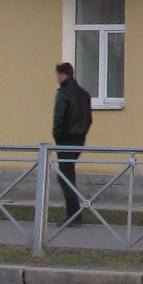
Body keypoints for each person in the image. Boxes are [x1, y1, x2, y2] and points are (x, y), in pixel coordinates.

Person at [52, 61, 94, 225]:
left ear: (62, 75)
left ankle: (74, 215)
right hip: (79, 139)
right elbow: (88, 119)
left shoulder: (64, 93)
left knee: (65, 177)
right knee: (69, 174)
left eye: (57, 75)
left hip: (65, 139)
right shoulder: (83, 94)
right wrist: (81, 134)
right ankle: (75, 215)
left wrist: (57, 137)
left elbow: (59, 119)